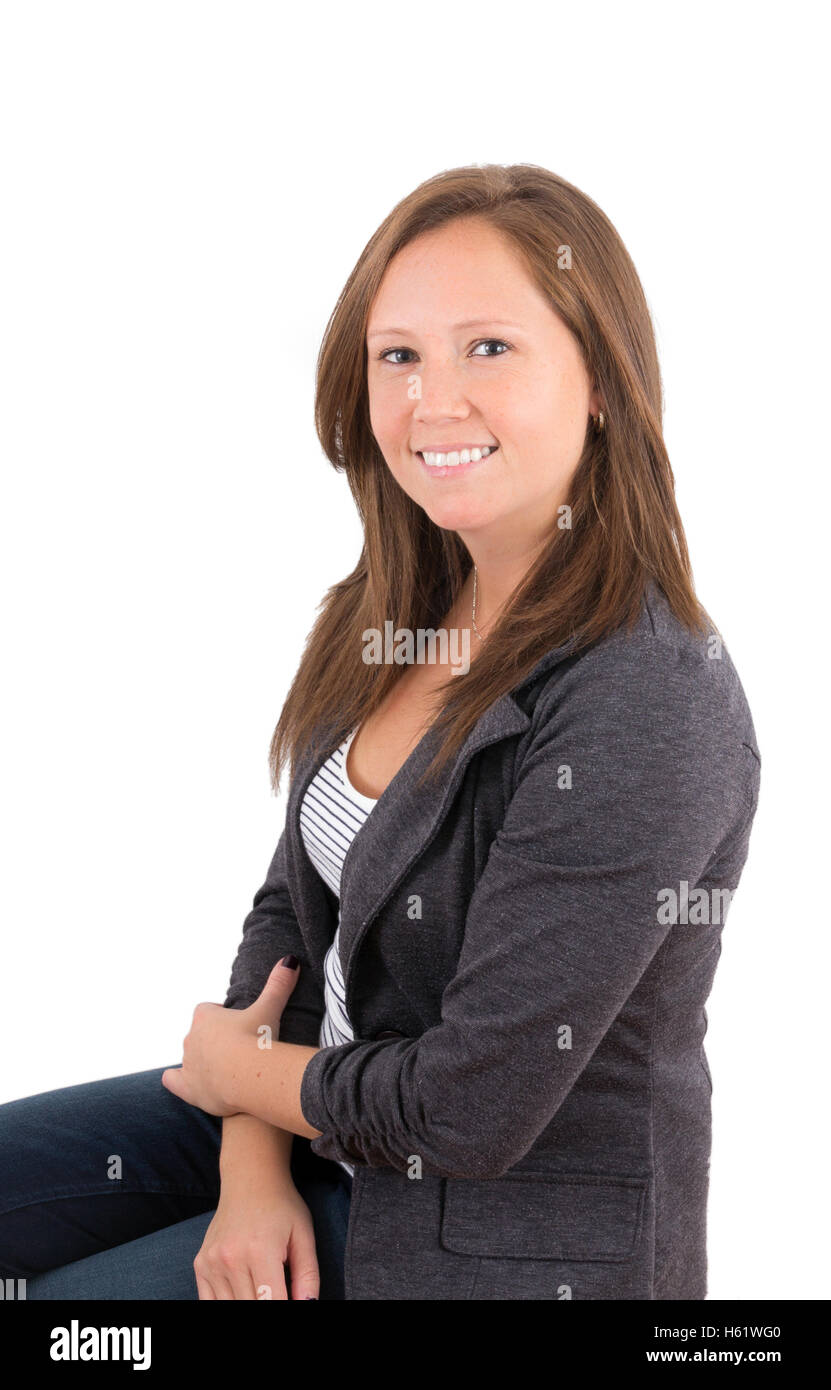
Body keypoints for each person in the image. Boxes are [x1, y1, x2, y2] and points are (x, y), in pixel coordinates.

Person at [0, 163, 761, 1301]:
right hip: (312, 1127)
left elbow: (470, 1107)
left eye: (488, 348)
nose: (429, 401)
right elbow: (292, 912)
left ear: (601, 379)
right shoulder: (396, 614)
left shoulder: (649, 693)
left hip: (481, 1231)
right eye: (398, 354)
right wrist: (249, 1156)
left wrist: (240, 1079)